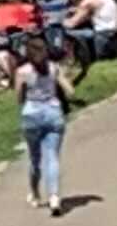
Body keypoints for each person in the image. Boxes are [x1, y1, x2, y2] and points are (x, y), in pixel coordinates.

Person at [14, 42, 76, 216]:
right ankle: (54, 196)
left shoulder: (22, 72)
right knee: (53, 157)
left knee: (35, 159)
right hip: (53, 113)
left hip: (32, 114)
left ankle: (34, 193)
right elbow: (70, 90)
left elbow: (19, 98)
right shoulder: (53, 68)